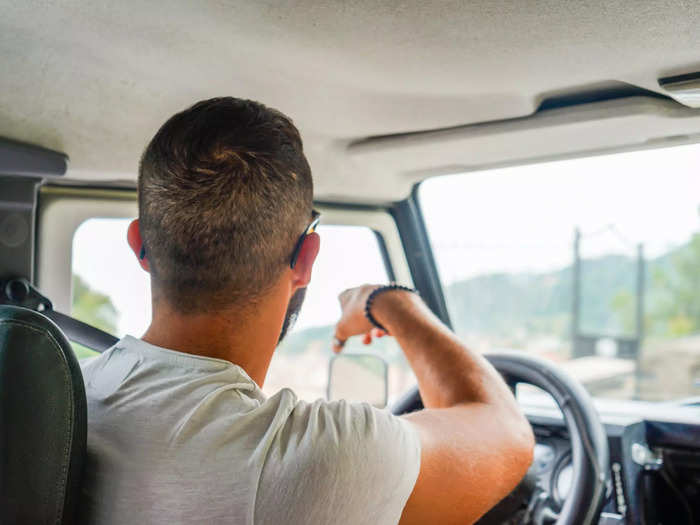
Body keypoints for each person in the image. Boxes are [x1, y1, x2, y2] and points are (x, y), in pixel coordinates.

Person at [79, 97, 534, 525]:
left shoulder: (62, 391)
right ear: (306, 258)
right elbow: (506, 434)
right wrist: (392, 302)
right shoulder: (317, 459)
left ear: (139, 245)